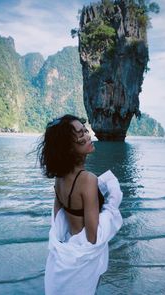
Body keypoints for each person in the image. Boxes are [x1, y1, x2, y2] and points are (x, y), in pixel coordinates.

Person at [37, 114, 123, 295]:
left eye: (85, 130)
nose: (88, 135)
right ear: (68, 147)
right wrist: (113, 201)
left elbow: (57, 218)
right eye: (80, 134)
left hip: (67, 249)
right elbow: (93, 237)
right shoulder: (87, 180)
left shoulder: (60, 178)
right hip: (82, 256)